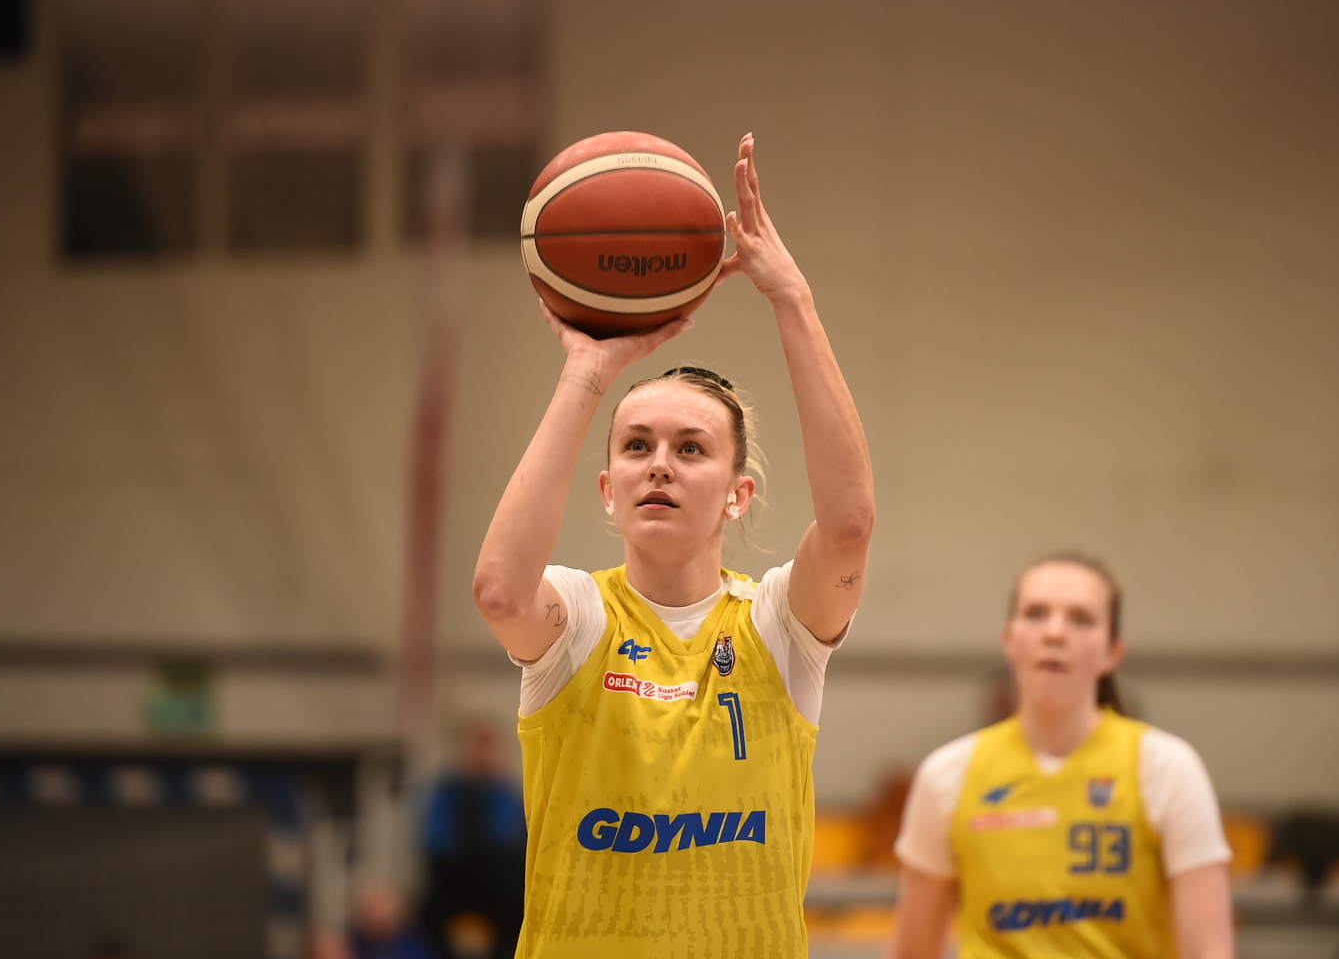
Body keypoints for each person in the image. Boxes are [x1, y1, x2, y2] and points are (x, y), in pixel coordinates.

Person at [472, 133, 875, 958]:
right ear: (607, 490)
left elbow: (847, 527)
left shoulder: (776, 627)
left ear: (737, 494)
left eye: (690, 448)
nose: (659, 464)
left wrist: (791, 298)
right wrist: (588, 372)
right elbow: (500, 592)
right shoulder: (578, 617)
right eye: (636, 447)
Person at [886, 554, 1234, 959]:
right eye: (1035, 614)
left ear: (1113, 652)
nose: (1054, 632)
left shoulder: (1166, 768)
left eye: (1081, 619)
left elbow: (1210, 951)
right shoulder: (947, 774)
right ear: (1009, 639)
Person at [420, 719, 525, 958]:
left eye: (489, 746)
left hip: (501, 898)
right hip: (453, 892)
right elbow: (436, 844)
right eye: (477, 745)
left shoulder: (509, 796)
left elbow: (512, 844)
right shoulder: (445, 794)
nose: (482, 755)